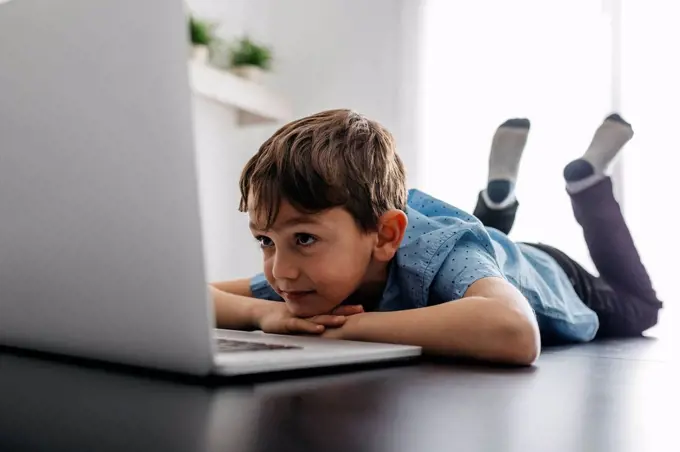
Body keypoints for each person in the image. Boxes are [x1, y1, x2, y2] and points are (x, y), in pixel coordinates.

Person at [210, 109, 662, 366]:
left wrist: (351, 327)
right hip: (479, 251)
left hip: (550, 274)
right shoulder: (307, 268)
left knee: (641, 307)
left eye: (303, 239)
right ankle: (497, 199)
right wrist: (260, 314)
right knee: (464, 254)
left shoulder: (437, 253)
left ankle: (589, 185)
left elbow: (517, 332)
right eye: (265, 241)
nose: (280, 271)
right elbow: (190, 296)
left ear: (385, 236)